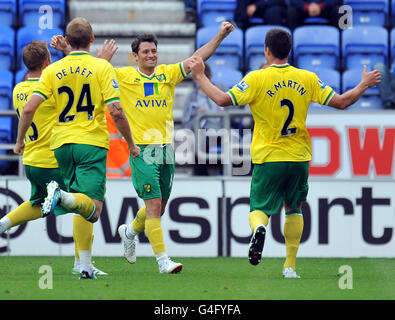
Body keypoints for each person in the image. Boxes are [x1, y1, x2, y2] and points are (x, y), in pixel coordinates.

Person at [188, 28, 381, 278]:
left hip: (269, 157)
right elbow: (342, 102)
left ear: (267, 51)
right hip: (299, 157)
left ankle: (259, 228)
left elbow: (223, 100)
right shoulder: (307, 77)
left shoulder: (257, 78)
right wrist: (364, 84)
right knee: (294, 208)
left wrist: (201, 77)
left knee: (259, 208)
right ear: (289, 51)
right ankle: (289, 266)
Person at [50, 21, 235, 274]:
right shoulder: (123, 75)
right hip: (141, 149)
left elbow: (196, 58)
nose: (151, 55)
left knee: (159, 207)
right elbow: (89, 69)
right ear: (134, 56)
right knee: (154, 206)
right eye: (146, 52)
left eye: (154, 51)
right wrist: (66, 51)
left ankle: (130, 231)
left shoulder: (168, 74)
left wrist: (220, 36)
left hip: (166, 149)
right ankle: (163, 261)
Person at [13, 17, 140, 279]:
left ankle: (83, 264)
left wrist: (19, 140)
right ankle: (59, 199)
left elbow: (28, 108)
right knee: (93, 209)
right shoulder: (101, 67)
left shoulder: (51, 70)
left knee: (81, 203)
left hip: (60, 145)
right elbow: (115, 111)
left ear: (67, 41)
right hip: (90, 142)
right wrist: (131, 143)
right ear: (92, 40)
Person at [0, 40, 107, 277]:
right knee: (84, 199)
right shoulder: (50, 88)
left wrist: (18, 142)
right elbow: (79, 90)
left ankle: (4, 223)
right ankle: (82, 262)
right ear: (48, 62)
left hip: (31, 160)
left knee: (39, 204)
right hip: (54, 160)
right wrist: (99, 61)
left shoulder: (18, 89)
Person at [182, 62, 227, 176]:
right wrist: (197, 116)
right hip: (202, 134)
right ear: (195, 80)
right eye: (199, 79)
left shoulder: (222, 90)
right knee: (197, 143)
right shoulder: (192, 97)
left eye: (205, 78)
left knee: (232, 140)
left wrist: (225, 113)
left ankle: (228, 174)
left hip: (222, 132)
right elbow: (186, 123)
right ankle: (201, 176)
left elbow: (236, 114)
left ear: (210, 77)